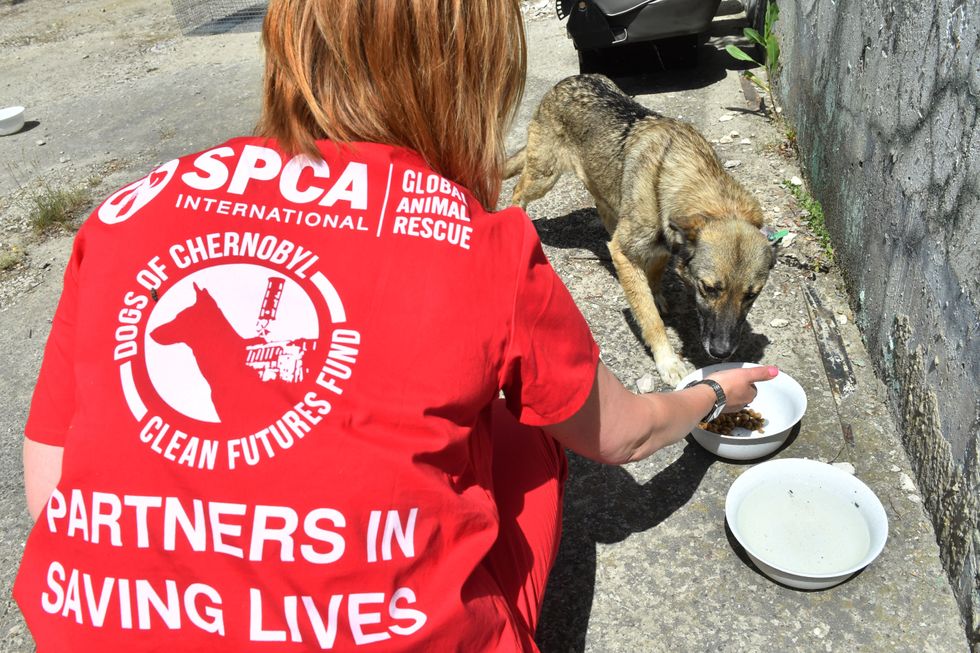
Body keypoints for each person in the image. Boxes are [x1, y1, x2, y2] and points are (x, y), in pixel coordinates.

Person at [15, 1, 777, 651]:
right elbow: (623, 436)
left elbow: (53, 481)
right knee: (534, 423)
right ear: (473, 71)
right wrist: (713, 393)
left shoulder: (127, 212)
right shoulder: (482, 242)